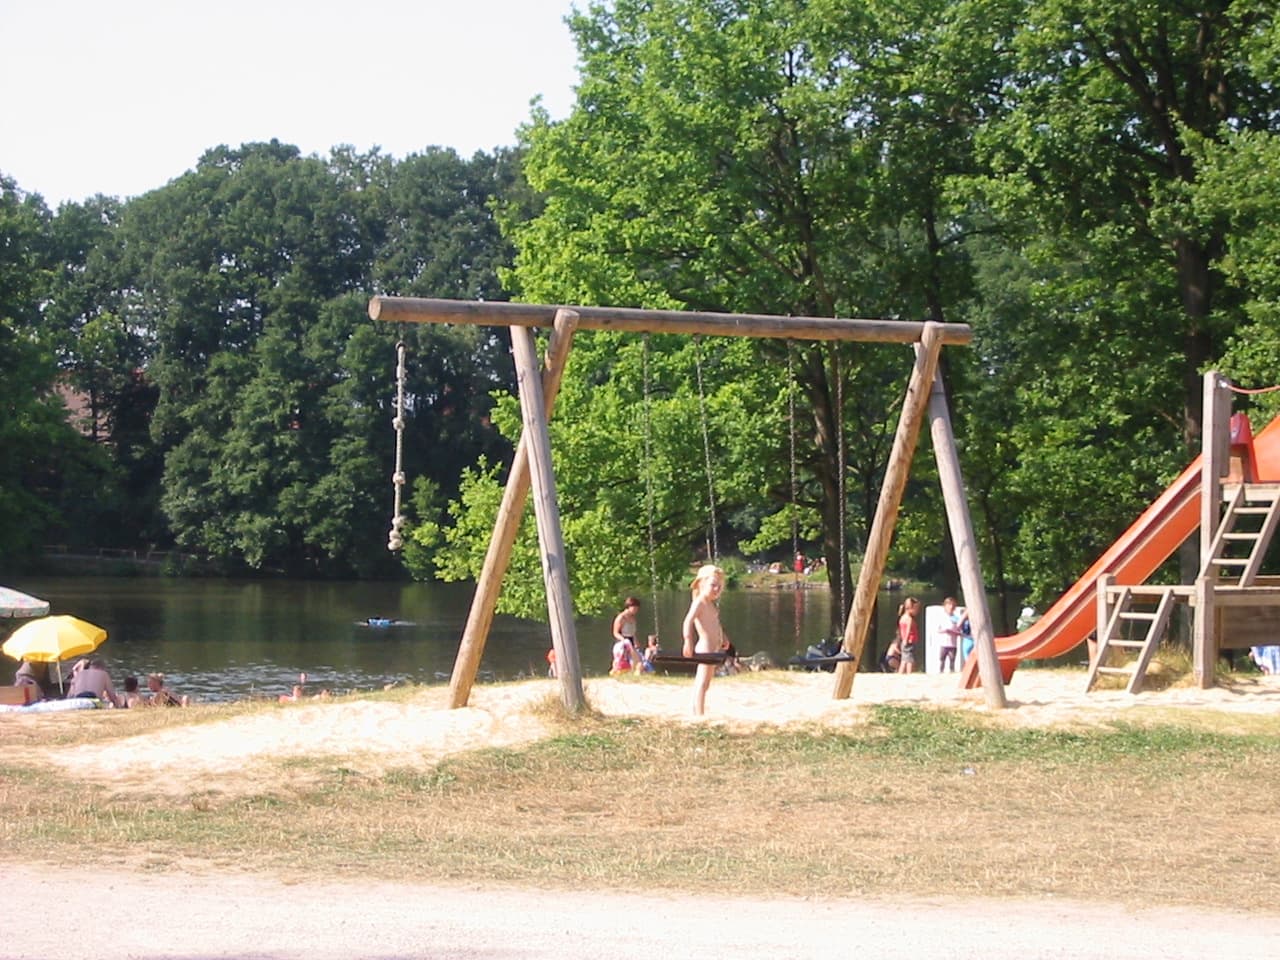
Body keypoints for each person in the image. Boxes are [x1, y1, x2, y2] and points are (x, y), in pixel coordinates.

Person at [682, 563, 726, 715]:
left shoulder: (711, 605)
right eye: (713, 585)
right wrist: (688, 641)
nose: (716, 589)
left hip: (713, 647)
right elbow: (688, 621)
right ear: (701, 584)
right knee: (701, 682)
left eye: (719, 587)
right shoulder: (699, 602)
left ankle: (697, 709)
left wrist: (724, 638)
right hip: (705, 646)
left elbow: (716, 624)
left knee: (706, 683)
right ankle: (698, 713)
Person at [611, 597, 642, 674]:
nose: (636, 611)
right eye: (634, 608)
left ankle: (636, 670)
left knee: (638, 655)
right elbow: (615, 633)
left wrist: (636, 641)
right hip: (622, 641)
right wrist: (624, 640)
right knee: (634, 657)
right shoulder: (621, 618)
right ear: (629, 607)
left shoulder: (633, 618)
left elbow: (633, 633)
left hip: (631, 640)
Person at [936, 596, 962, 673]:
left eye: (952, 606)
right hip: (943, 643)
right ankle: (941, 672)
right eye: (949, 606)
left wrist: (953, 632)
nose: (950, 608)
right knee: (942, 660)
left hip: (952, 644)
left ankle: (952, 671)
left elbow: (959, 632)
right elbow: (938, 630)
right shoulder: (941, 617)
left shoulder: (956, 618)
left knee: (952, 659)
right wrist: (944, 630)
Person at [896, 597, 920, 674]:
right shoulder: (909, 619)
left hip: (904, 641)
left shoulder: (902, 617)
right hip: (909, 641)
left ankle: (901, 673)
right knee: (910, 659)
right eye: (916, 609)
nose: (917, 611)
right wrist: (906, 639)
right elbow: (908, 630)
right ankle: (909, 673)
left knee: (904, 659)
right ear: (910, 608)